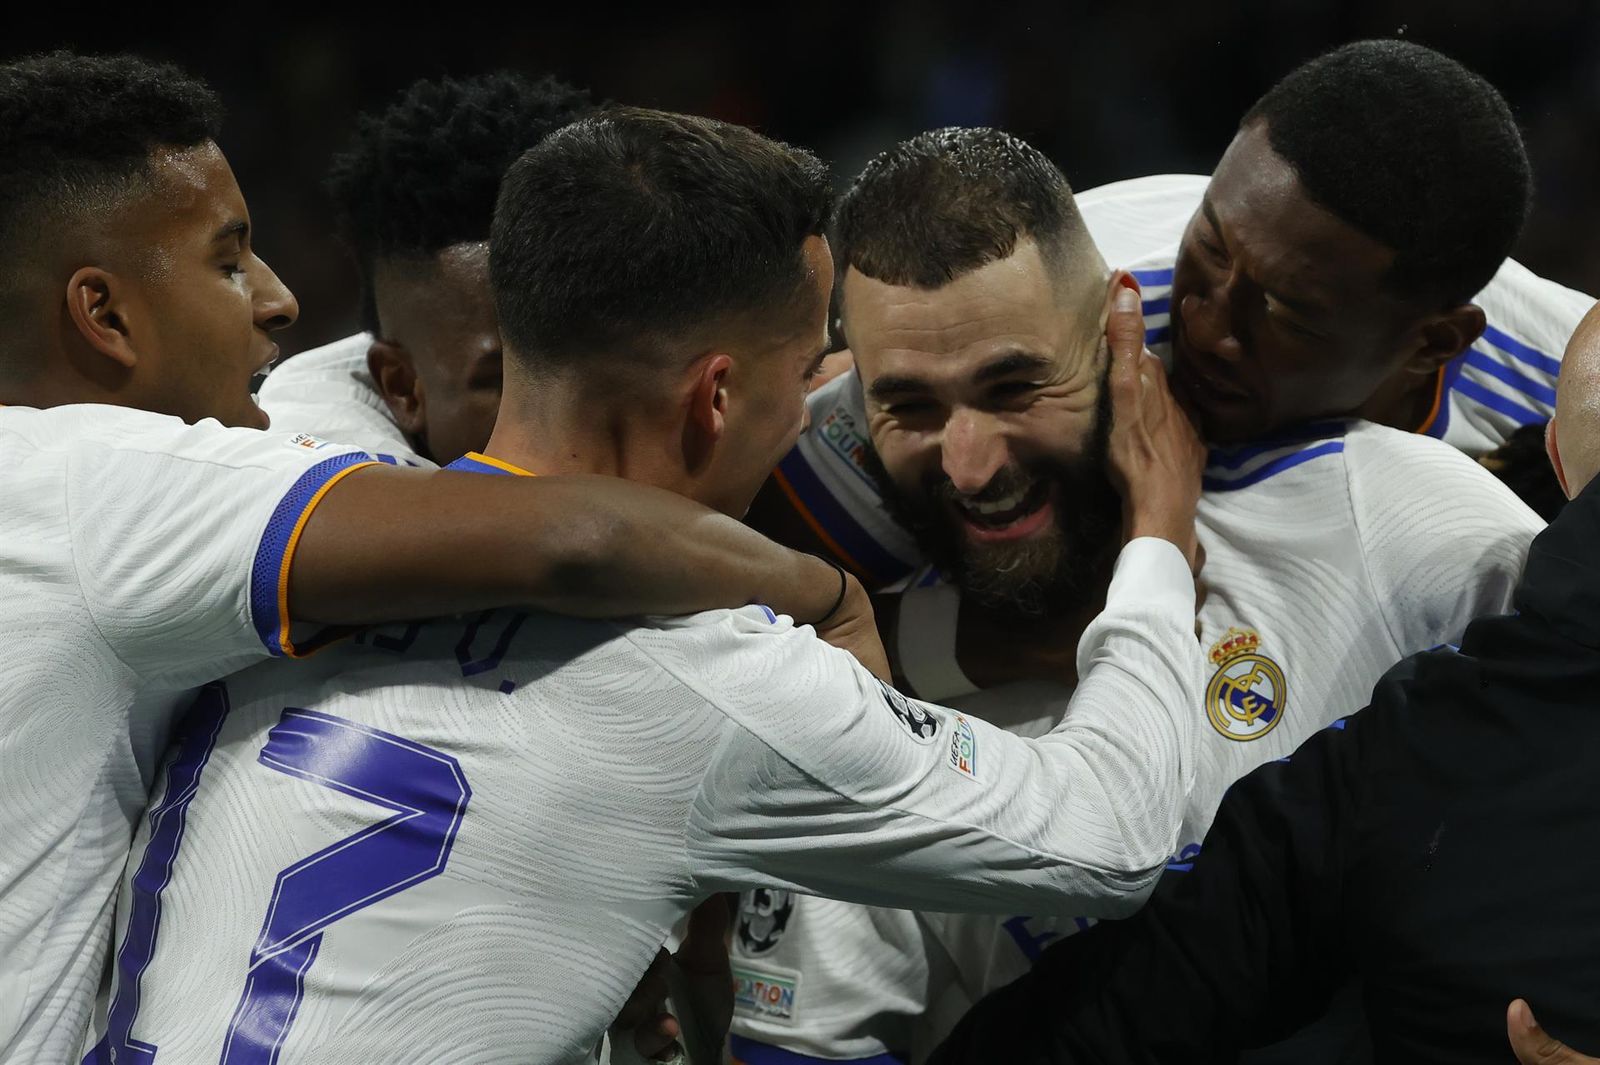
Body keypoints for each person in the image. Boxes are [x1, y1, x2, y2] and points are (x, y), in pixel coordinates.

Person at [82, 105, 1213, 1064]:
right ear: (715, 399)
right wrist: (1158, 544)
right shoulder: (719, 683)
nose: (819, 395)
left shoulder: (282, 513)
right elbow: (1111, 838)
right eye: (802, 363)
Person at [0, 52, 873, 1062]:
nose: (277, 299)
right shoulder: (92, 482)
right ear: (102, 313)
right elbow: (568, 536)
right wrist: (825, 595)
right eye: (229, 260)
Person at [727, 126, 1545, 1065]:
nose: (972, 463)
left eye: (1016, 384)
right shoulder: (847, 711)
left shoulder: (1389, 520)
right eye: (909, 406)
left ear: (1122, 329)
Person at [923, 302, 1600, 1063]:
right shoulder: (1414, 741)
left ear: (1560, 461)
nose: (1215, 328)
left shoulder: (1426, 709)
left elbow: (1159, 960)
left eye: (1015, 388)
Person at [750, 39, 1592, 587]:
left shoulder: (1566, 383)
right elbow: (718, 559)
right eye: (1212, 247)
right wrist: (970, 649)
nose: (1207, 323)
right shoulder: (1074, 311)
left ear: (1435, 340)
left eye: (1282, 309)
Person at [258, 71, 596, 462]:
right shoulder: (321, 440)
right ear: (402, 386)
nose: (570, 422)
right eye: (504, 380)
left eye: (590, 361)